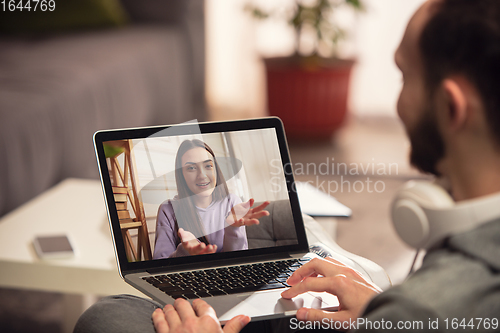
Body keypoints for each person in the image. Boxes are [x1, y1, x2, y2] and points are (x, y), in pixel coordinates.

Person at [74, 0, 500, 332]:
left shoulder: (421, 308)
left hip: (227, 305)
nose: (398, 100)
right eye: (191, 169)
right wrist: (377, 310)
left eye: (405, 76)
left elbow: (239, 251)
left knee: (105, 319)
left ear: (449, 106)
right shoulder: (170, 210)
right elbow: (165, 258)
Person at [153, 139, 269, 258]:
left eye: (208, 166)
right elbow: (161, 263)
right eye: (191, 168)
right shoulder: (168, 210)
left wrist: (232, 229)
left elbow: (238, 261)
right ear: (181, 175)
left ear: (216, 170)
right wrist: (185, 252)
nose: (202, 175)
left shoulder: (232, 203)